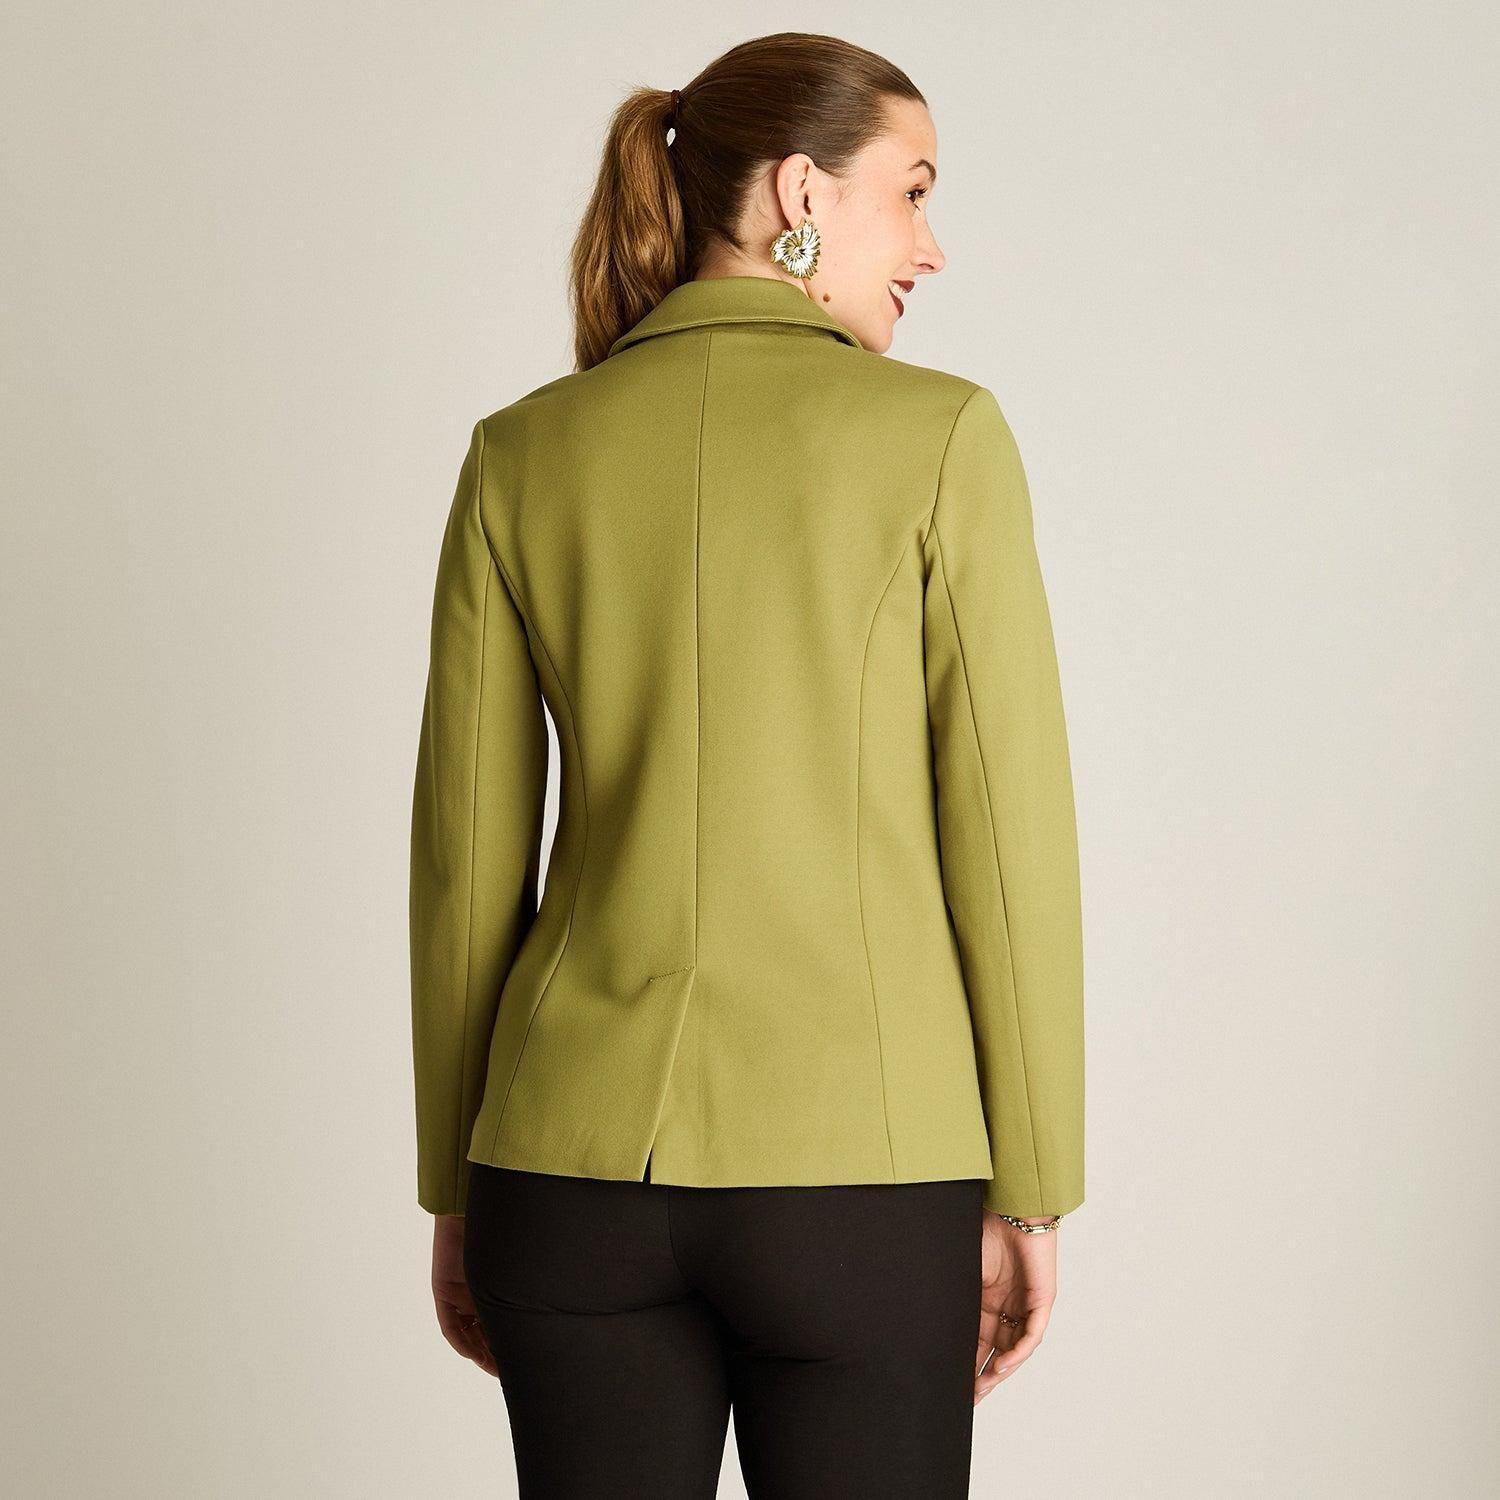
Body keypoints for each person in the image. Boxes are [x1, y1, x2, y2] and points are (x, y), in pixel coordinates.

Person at [408, 30, 1085, 1498]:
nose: (932, 245)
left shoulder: (522, 453)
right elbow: (1007, 842)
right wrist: (1033, 1189)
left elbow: (465, 863)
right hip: (864, 1182)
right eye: (913, 192)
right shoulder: (943, 438)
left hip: (564, 1173)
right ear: (800, 191)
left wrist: (455, 1182)